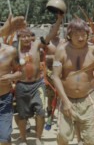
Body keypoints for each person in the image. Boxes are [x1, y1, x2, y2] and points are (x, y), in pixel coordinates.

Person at [52, 18, 94, 145]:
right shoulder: (61, 50)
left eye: (83, 35)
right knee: (63, 136)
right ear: (69, 35)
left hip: (88, 97)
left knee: (91, 139)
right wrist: (65, 101)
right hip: (67, 97)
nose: (80, 38)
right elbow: (55, 76)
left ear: (87, 34)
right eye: (76, 35)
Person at [14, 14, 63, 145]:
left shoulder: (36, 45)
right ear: (18, 38)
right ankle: (23, 138)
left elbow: (51, 35)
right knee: (22, 115)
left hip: (37, 85)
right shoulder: (14, 51)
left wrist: (58, 20)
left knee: (41, 112)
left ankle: (38, 138)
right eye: (22, 36)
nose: (26, 39)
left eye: (28, 36)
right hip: (21, 86)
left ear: (31, 37)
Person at [0, 15, 26, 145]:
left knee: (4, 139)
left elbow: (20, 72)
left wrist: (12, 76)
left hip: (4, 100)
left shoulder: (10, 51)